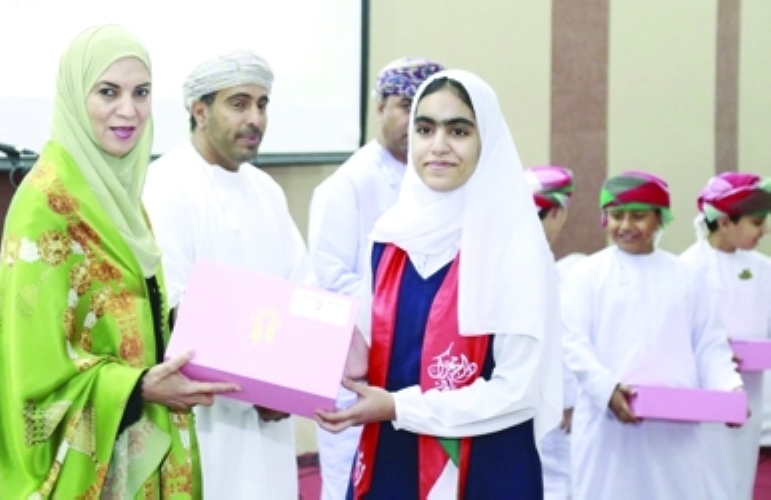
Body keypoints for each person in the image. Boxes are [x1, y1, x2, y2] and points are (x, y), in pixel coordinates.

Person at [0, 25, 237, 498]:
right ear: (76, 98)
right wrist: (138, 388)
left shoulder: (120, 196)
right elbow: (33, 366)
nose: (129, 110)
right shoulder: (46, 205)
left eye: (141, 93)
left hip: (136, 446)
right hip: (90, 465)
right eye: (108, 92)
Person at [315, 69, 562, 499]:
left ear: (487, 141)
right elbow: (377, 348)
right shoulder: (390, 237)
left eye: (459, 131)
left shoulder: (514, 247)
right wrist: (340, 353)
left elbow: (518, 390)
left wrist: (399, 406)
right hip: (394, 455)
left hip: (484, 466)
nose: (439, 146)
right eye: (425, 129)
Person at [142, 50, 309, 500]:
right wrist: (260, 389)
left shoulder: (266, 191)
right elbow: (177, 309)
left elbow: (302, 293)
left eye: (262, 104)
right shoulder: (166, 184)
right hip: (205, 416)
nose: (255, 118)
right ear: (200, 110)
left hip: (271, 416)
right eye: (239, 104)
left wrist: (287, 389)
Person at [307, 56, 444, 500]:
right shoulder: (348, 184)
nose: (416, 123)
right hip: (358, 376)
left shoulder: (440, 182)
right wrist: (412, 301)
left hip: (421, 376)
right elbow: (328, 280)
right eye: (406, 106)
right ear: (380, 106)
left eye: (428, 113)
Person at [561, 171, 744, 499]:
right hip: (607, 428)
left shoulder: (687, 276)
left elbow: (710, 345)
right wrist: (607, 390)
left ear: (661, 219)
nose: (625, 225)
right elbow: (573, 343)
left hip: (674, 431)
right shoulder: (587, 274)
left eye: (638, 216)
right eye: (616, 215)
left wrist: (730, 390)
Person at [680, 172, 771, 499]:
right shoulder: (687, 268)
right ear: (724, 223)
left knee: (740, 479)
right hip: (703, 393)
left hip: (752, 393)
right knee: (704, 478)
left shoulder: (763, 268)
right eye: (756, 222)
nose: (765, 230)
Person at [525, 165, 580, 500]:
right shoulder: (541, 266)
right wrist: (568, 399)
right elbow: (557, 341)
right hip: (547, 401)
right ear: (558, 212)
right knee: (558, 480)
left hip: (512, 399)